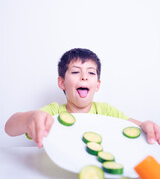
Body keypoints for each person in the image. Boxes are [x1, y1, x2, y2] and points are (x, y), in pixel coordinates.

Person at [5, 48, 160, 148]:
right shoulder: (52, 112)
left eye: (91, 73)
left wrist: (147, 125)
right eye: (75, 72)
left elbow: (138, 126)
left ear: (97, 85)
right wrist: (30, 118)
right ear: (62, 83)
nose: (84, 77)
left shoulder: (105, 110)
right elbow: (9, 128)